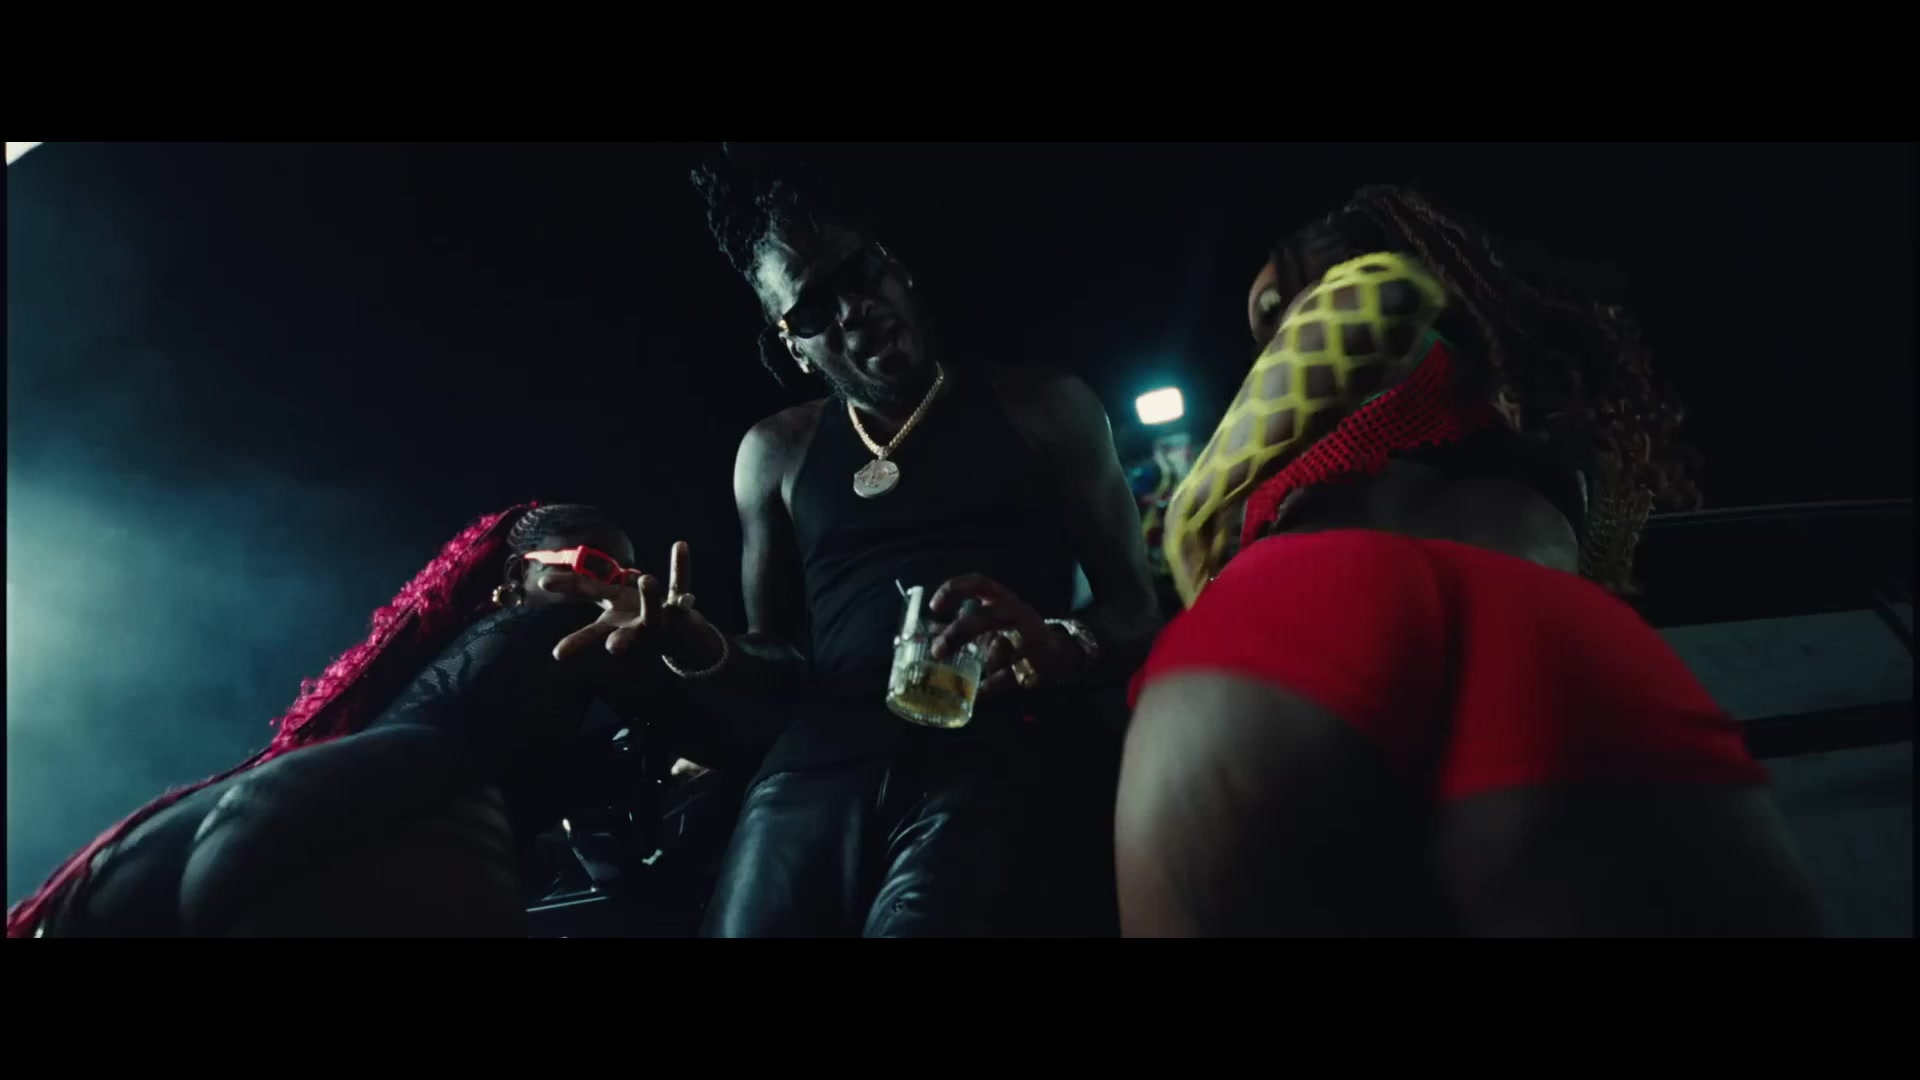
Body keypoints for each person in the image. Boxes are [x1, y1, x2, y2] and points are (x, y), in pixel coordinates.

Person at [1116, 186, 1821, 937]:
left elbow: (1378, 294)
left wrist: (1195, 516)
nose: (1265, 339)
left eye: (1271, 307)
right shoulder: (1546, 421)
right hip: (1543, 643)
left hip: (1321, 614)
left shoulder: (1374, 325)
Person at [555, 147, 1159, 937]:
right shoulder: (775, 453)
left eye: (859, 273)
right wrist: (700, 647)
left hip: (997, 747)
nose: (851, 310)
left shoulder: (1045, 405)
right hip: (817, 765)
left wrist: (1061, 643)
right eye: (812, 310)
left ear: (896, 268)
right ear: (792, 345)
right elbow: (780, 660)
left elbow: (1137, 609)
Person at [7, 502, 661, 937]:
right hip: (325, 832)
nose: (616, 591)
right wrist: (688, 656)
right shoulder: (546, 631)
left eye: (629, 577)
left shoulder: (507, 707)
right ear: (518, 575)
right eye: (594, 568)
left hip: (148, 868)